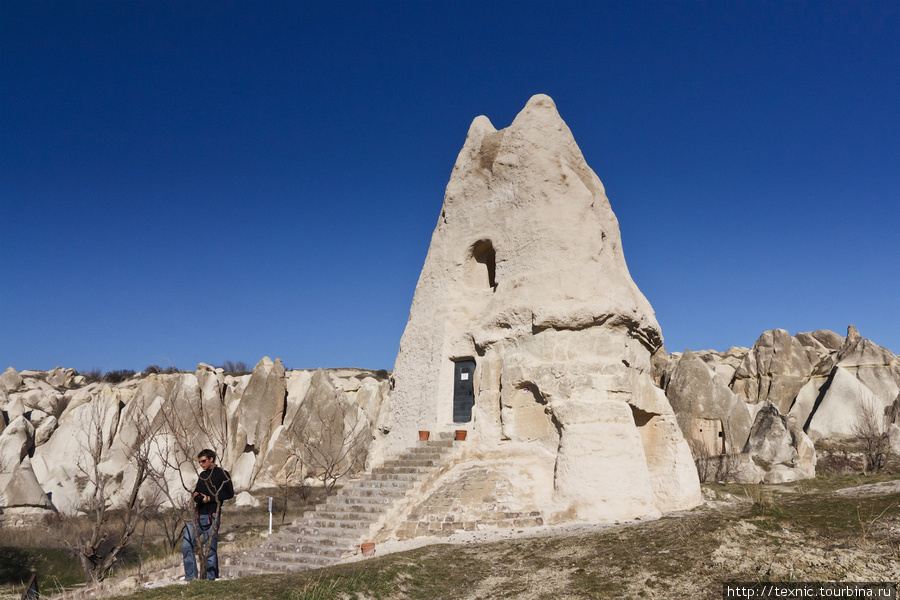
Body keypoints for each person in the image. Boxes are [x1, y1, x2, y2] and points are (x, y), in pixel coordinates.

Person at [182, 449, 233, 581]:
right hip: (198, 515)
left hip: (213, 514)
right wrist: (197, 497)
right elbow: (196, 493)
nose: (201, 464)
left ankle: (211, 578)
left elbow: (229, 493)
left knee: (210, 549)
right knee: (186, 544)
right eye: (199, 462)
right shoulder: (202, 476)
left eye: (203, 461)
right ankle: (191, 577)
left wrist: (210, 498)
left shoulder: (222, 474)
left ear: (211, 459)